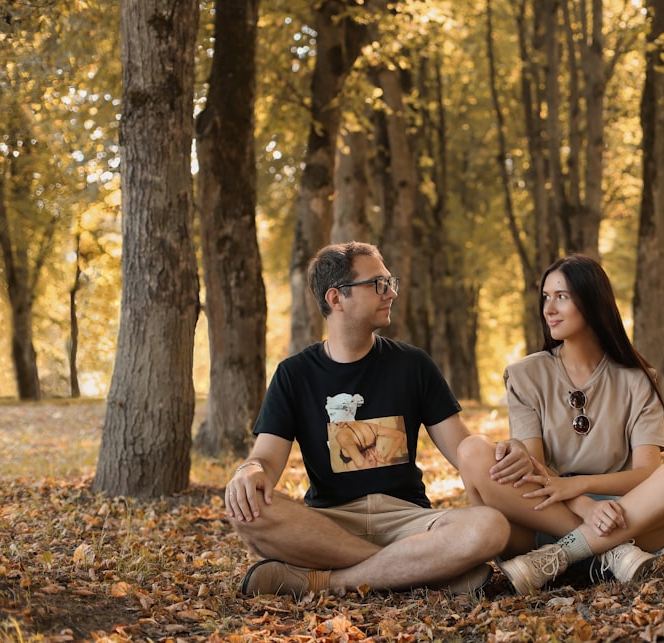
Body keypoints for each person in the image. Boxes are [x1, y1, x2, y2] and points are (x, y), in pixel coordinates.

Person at [226, 242, 530, 598]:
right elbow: (265, 460)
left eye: (390, 282)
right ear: (336, 298)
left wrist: (503, 450)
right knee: (245, 509)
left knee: (490, 527)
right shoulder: (294, 375)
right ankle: (420, 572)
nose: (391, 292)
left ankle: (329, 581)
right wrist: (248, 471)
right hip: (330, 523)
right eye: (378, 284)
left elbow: (462, 446)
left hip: (409, 521)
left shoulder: (413, 365)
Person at [457, 253, 664, 594]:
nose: (549, 308)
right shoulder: (524, 375)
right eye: (546, 297)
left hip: (627, 519)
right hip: (544, 516)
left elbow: (646, 474)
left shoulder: (639, 380)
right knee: (472, 449)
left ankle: (562, 556)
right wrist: (586, 506)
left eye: (562, 297)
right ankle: (609, 551)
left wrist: (580, 485)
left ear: (593, 301)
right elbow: (534, 469)